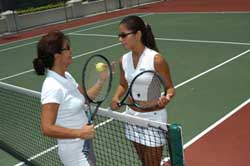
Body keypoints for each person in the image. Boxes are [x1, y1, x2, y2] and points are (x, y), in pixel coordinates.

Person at [33, 30, 108, 166]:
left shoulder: (67, 76)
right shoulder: (52, 86)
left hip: (84, 145)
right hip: (74, 152)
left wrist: (101, 80)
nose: (71, 50)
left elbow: (85, 98)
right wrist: (79, 132)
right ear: (57, 56)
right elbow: (47, 128)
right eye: (67, 48)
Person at [111, 16, 175, 166]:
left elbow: (170, 88)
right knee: (145, 163)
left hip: (152, 119)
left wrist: (167, 97)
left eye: (124, 35)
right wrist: (115, 97)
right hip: (132, 117)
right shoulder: (123, 60)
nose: (120, 39)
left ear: (138, 34)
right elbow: (123, 84)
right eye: (119, 36)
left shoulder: (156, 59)